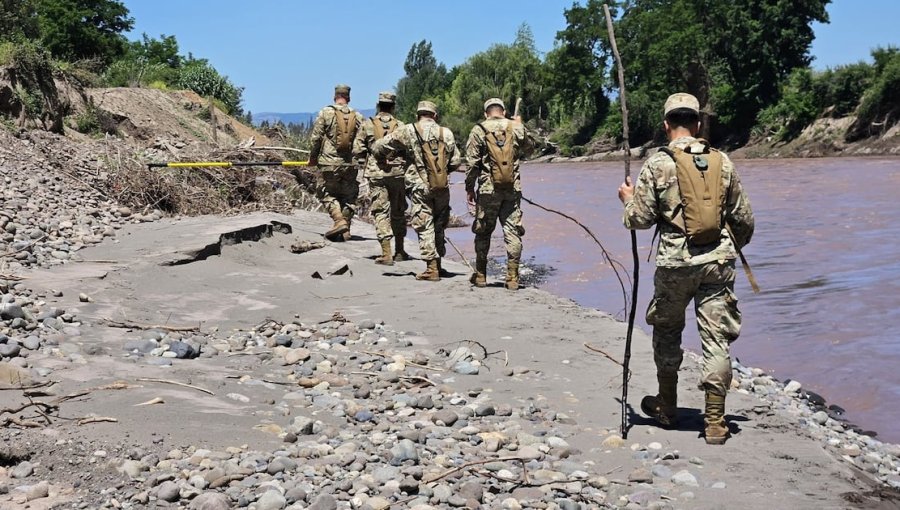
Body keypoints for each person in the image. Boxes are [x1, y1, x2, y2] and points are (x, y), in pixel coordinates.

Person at [617, 92, 755, 445]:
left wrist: (627, 199)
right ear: (698, 123)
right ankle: (714, 420)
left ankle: (666, 405)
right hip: (718, 263)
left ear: (666, 126)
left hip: (674, 264)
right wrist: (724, 247)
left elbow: (639, 220)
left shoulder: (657, 163)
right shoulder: (722, 162)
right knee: (716, 340)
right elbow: (744, 221)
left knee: (666, 334)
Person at [373, 100, 461, 281]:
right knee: (439, 225)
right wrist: (441, 172)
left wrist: (384, 156)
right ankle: (439, 263)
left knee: (424, 223)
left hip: (419, 186)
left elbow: (380, 147)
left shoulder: (408, 130)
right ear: (435, 116)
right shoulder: (447, 133)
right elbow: (456, 161)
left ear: (417, 115)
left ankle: (431, 267)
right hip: (442, 186)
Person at [465, 98, 535, 290]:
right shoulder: (515, 126)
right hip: (512, 189)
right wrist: (520, 125)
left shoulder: (479, 129)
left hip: (488, 190)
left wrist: (469, 188)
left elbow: (472, 163)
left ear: (485, 113)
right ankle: (512, 277)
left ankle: (480, 275)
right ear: (503, 112)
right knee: (512, 232)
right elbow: (531, 150)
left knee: (483, 232)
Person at [355, 91, 411, 265]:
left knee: (380, 212)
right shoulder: (401, 126)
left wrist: (365, 157)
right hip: (397, 174)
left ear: (378, 106)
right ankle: (400, 250)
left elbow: (357, 149)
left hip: (377, 174)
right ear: (393, 107)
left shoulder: (367, 124)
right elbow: (409, 149)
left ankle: (386, 253)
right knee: (398, 211)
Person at [308, 84, 364, 241]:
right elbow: (362, 141)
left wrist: (313, 158)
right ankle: (345, 229)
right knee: (349, 195)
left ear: (335, 97)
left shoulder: (325, 113)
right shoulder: (358, 116)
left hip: (329, 163)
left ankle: (339, 221)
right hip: (350, 164)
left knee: (324, 191)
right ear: (348, 98)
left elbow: (316, 138)